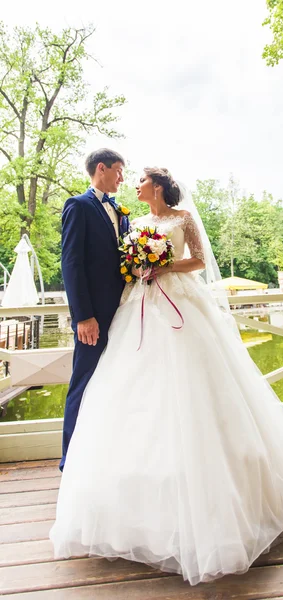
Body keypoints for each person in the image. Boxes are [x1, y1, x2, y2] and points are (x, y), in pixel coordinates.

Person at [50, 167, 283, 585]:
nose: (135, 185)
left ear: (157, 187)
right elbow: (115, 261)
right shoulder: (134, 222)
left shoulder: (183, 219)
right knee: (130, 393)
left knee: (196, 386)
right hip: (138, 305)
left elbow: (198, 260)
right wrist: (139, 267)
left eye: (140, 180)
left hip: (179, 302)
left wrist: (164, 266)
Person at [59, 148, 129, 471]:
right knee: (83, 382)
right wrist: (83, 317)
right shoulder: (78, 206)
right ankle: (70, 461)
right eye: (119, 171)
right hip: (94, 319)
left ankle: (108, 457)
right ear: (101, 168)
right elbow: (71, 265)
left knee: (118, 384)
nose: (122, 178)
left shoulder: (122, 212)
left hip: (125, 316)